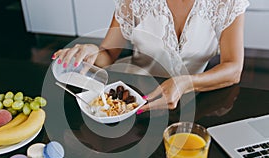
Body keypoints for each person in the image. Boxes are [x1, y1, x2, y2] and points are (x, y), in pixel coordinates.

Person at [52, 0, 250, 113]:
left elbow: (233, 68)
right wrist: (92, 52)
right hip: (135, 99)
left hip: (197, 99)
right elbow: (108, 54)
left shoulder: (228, 3)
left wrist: (185, 83)